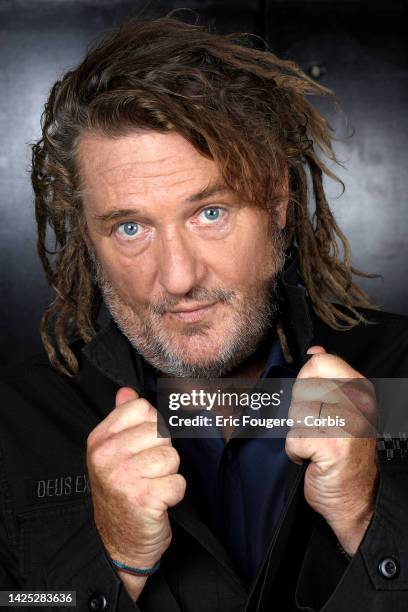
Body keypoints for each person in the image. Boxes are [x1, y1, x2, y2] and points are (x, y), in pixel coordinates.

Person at [1, 15, 408, 612]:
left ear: (276, 206)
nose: (179, 278)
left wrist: (367, 516)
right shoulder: (15, 421)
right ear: (90, 243)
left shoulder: (399, 374)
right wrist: (112, 561)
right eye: (131, 227)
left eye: (209, 213)